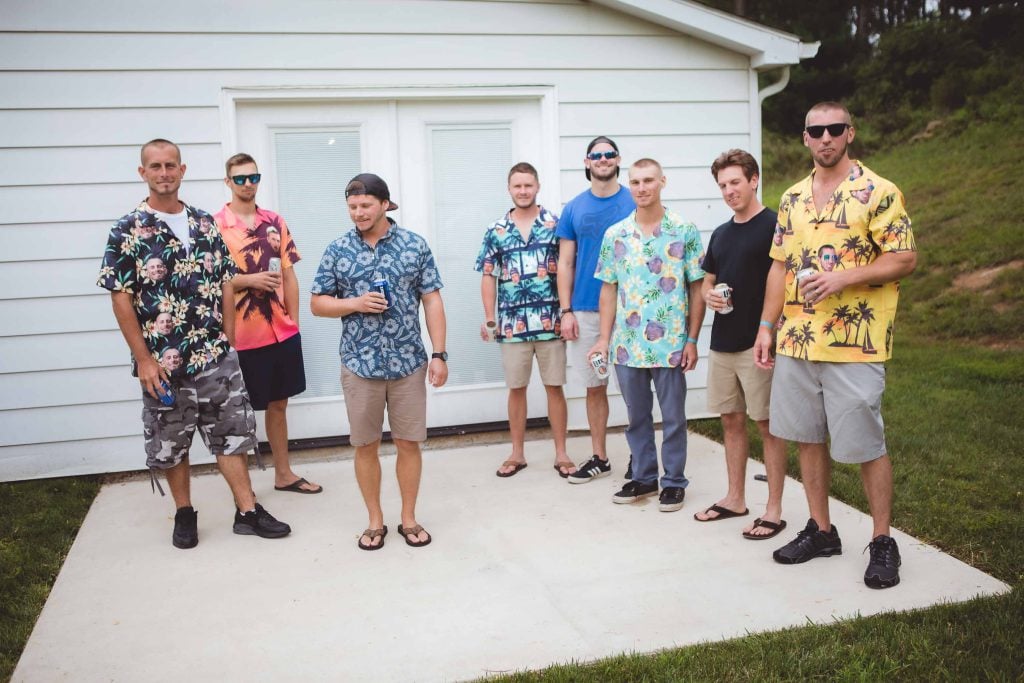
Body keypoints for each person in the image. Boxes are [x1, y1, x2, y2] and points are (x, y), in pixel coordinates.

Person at [97, 138, 291, 549]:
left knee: (232, 435)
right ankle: (184, 513)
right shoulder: (126, 230)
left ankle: (248, 510)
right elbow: (120, 296)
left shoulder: (204, 223)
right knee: (172, 441)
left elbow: (224, 279)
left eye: (171, 165)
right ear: (143, 173)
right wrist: (144, 360)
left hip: (215, 355)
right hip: (162, 364)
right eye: (155, 166)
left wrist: (229, 338)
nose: (164, 173)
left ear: (182, 170)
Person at [753, 102, 917, 588]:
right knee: (806, 436)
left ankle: (883, 540)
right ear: (804, 137)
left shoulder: (879, 192)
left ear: (850, 134)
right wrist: (766, 326)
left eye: (834, 129)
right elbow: (779, 266)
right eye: (815, 130)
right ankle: (822, 530)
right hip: (798, 340)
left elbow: (905, 258)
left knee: (866, 442)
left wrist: (844, 277)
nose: (825, 137)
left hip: (855, 344)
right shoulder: (792, 198)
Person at [311, 173, 448, 550]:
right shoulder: (337, 249)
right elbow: (317, 303)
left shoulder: (413, 246)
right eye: (353, 207)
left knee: (409, 443)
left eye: (366, 205)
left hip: (408, 363)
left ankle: (408, 517)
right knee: (365, 445)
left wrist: (439, 353)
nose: (359, 213)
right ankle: (375, 520)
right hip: (359, 364)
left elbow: (432, 300)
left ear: (385, 204)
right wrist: (354, 303)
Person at [589, 159, 705, 511]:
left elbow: (696, 288)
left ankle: (673, 481)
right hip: (627, 345)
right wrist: (602, 339)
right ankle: (643, 477)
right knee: (636, 417)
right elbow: (608, 290)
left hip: (671, 344)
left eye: (649, 180)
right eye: (636, 181)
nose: (642, 188)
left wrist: (693, 339)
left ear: (662, 182)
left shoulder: (683, 230)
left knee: (673, 418)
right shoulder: (616, 235)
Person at [694, 149, 788, 540]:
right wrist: (710, 295)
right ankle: (735, 498)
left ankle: (774, 509)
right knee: (730, 420)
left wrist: (769, 328)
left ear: (754, 180)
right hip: (722, 343)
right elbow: (705, 281)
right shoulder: (721, 233)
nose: (729, 191)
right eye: (722, 185)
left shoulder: (774, 226)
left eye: (735, 182)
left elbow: (783, 281)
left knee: (767, 425)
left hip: (758, 343)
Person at [215, 153, 321, 495]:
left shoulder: (275, 221)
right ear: (228, 182)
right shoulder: (214, 226)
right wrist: (249, 281)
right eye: (240, 178)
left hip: (280, 331)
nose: (248, 184)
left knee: (279, 404)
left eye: (253, 177)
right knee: (237, 412)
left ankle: (284, 474)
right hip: (240, 336)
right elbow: (211, 282)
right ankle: (244, 493)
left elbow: (289, 275)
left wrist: (294, 322)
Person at [476, 162, 575, 478]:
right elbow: (488, 276)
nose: (523, 191)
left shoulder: (555, 224)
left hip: (550, 322)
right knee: (516, 389)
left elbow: (566, 267)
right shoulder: (496, 230)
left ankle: (561, 453)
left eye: (528, 185)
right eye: (517, 186)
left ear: (537, 187)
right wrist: (489, 318)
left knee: (554, 387)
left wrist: (566, 310)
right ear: (509, 189)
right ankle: (517, 453)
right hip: (512, 324)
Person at [555, 136, 637, 483]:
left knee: (635, 388)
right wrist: (566, 310)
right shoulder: (574, 208)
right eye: (596, 155)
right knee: (594, 385)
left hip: (632, 310)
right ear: (587, 163)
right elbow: (566, 262)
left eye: (609, 154)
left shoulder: (635, 200)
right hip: (587, 311)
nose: (603, 159)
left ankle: (641, 457)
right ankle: (600, 456)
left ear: (618, 160)